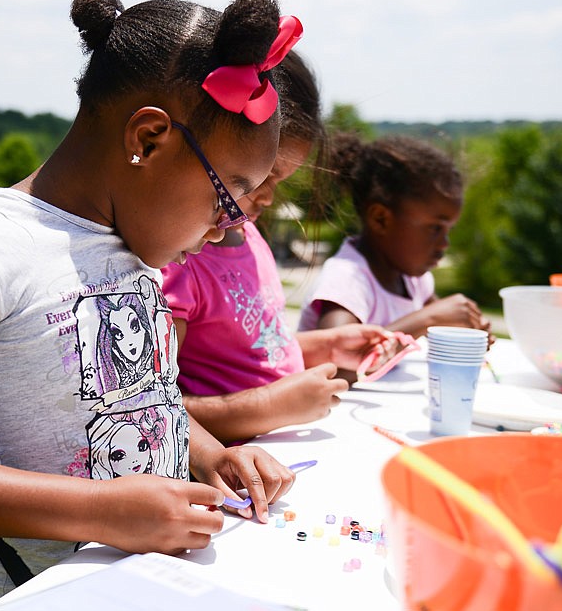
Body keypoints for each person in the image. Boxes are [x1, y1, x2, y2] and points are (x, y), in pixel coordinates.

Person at [0, 0, 303, 611]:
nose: (232, 226)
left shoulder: (133, 244)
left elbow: (138, 400)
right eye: (229, 196)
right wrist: (102, 513)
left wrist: (212, 455)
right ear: (147, 139)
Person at [160, 51, 394, 444]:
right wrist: (273, 405)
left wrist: (324, 347)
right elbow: (155, 407)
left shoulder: (248, 235)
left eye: (280, 179)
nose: (267, 197)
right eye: (262, 175)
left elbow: (244, 351)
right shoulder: (180, 259)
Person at [298, 132, 492, 341]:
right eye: (435, 228)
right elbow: (334, 359)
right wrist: (429, 318)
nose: (445, 244)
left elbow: (440, 322)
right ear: (381, 219)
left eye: (448, 230)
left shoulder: (413, 280)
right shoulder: (348, 278)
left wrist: (465, 332)